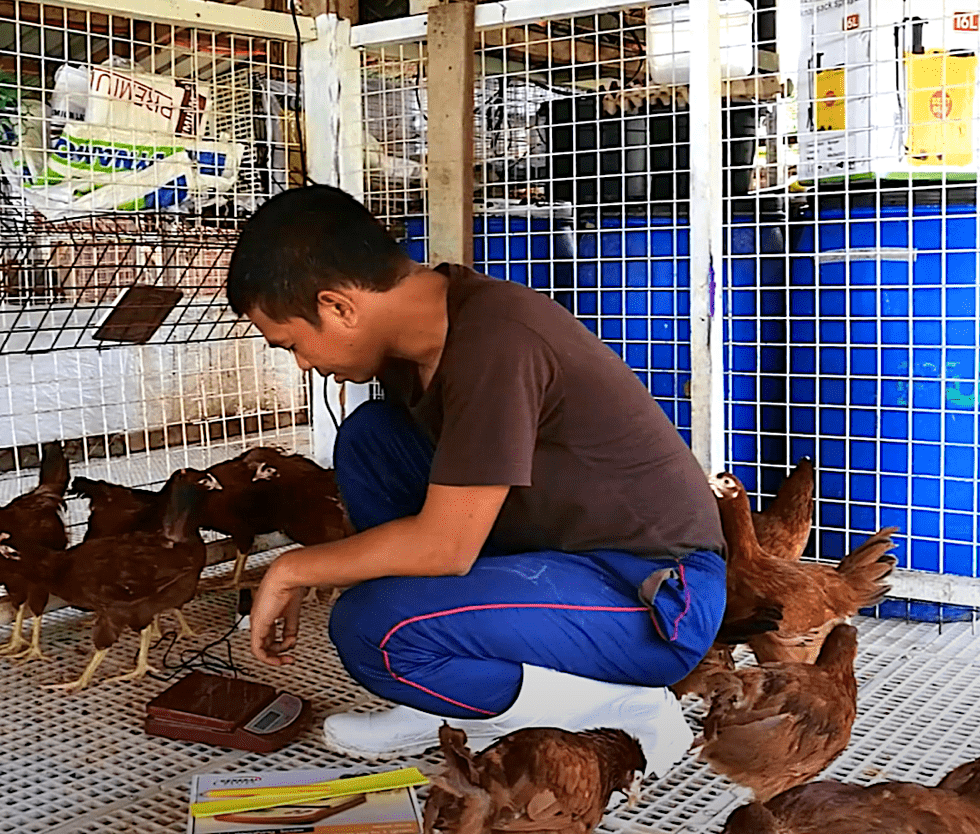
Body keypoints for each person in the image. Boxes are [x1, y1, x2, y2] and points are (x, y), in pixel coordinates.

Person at [225, 185, 726, 777]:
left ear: (338, 307)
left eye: (292, 345)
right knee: (371, 437)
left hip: (650, 596)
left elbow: (446, 545)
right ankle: (442, 691)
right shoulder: (430, 329)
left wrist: (291, 568)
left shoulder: (497, 338)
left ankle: (621, 709)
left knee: (372, 629)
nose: (303, 364)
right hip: (557, 553)